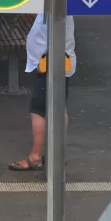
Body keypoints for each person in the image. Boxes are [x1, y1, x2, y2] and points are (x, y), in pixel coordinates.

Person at [8, 13, 76, 171]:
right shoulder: (59, 7)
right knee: (58, 108)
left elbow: (52, 38)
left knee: (38, 111)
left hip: (49, 67)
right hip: (56, 65)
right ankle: (56, 155)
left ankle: (35, 157)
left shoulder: (55, 11)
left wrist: (43, 61)